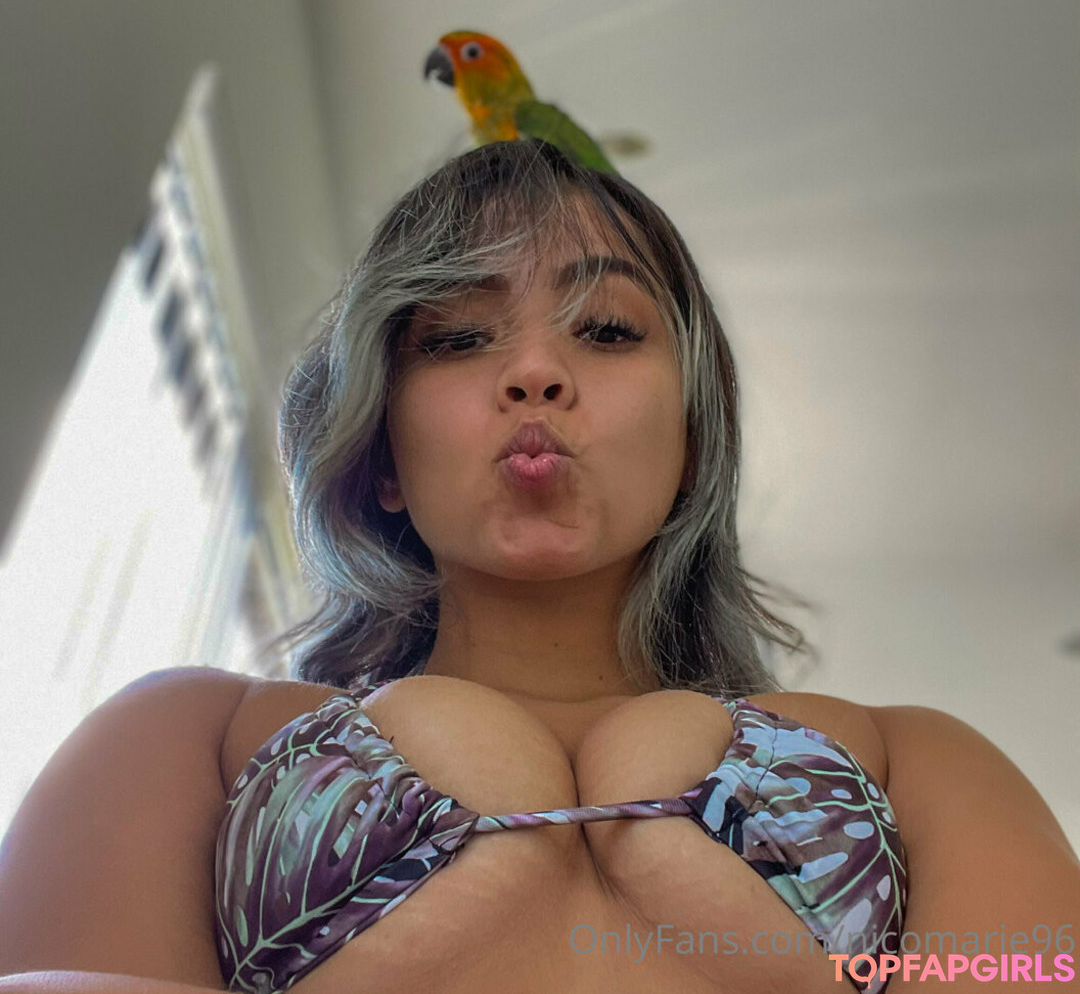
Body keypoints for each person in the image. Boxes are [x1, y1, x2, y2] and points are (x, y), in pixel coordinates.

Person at [0, 141, 1076, 994]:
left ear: (693, 439)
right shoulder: (190, 738)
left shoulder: (915, 759)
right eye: (457, 338)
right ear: (381, 456)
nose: (533, 371)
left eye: (604, 329)